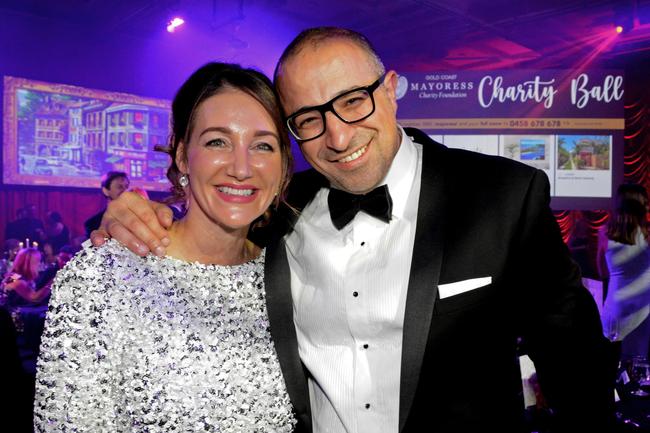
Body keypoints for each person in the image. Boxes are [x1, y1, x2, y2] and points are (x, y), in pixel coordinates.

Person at [93, 27, 615, 433]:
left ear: (390, 91)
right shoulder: (282, 207)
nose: (339, 136)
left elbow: (577, 367)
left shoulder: (502, 195)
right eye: (309, 118)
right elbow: (209, 220)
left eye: (352, 101)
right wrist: (134, 217)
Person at [34, 62, 296, 432]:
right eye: (217, 141)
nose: (242, 167)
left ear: (284, 165)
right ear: (181, 154)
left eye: (263, 145)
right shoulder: (104, 275)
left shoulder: (292, 275)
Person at [597, 183, 650, 361]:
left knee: (612, 366)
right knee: (638, 367)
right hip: (643, 309)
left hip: (616, 306)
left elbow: (601, 271)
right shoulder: (647, 233)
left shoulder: (604, 232)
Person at [83, 170, 130, 237]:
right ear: (106, 191)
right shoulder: (93, 223)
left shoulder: (137, 215)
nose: (125, 191)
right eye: (119, 187)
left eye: (127, 187)